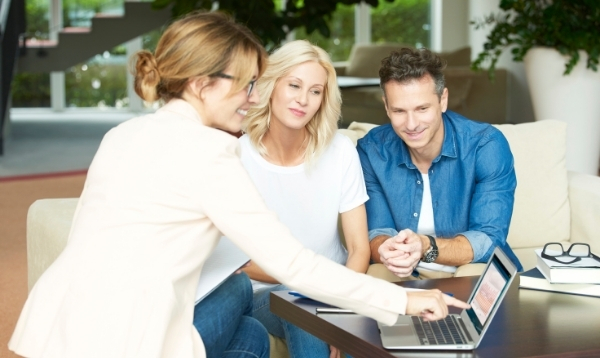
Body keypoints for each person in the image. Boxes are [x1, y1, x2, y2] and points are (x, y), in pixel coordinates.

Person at [9, 14, 469, 358]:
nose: (254, 98)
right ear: (202, 83)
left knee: (248, 333)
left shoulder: (122, 134)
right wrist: (405, 299)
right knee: (243, 301)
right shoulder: (210, 152)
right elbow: (293, 264)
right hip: (131, 343)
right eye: (248, 85)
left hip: (58, 330)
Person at [237, 39, 370, 358]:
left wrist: (341, 311)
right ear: (272, 85)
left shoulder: (341, 152)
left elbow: (358, 248)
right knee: (302, 306)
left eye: (315, 90)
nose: (303, 100)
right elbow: (239, 264)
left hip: (332, 293)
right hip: (266, 296)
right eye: (294, 85)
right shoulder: (237, 158)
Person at [357, 47, 523, 282]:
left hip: (469, 266)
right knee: (375, 282)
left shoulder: (486, 145)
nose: (412, 124)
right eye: (399, 111)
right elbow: (377, 231)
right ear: (386, 106)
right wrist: (386, 248)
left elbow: (488, 238)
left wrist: (426, 247)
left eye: (422, 108)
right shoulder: (371, 150)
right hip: (405, 272)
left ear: (443, 99)